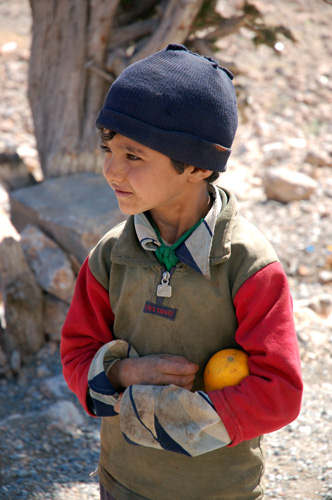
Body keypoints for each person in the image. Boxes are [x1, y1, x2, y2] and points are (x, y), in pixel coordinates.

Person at [61, 44, 303, 500]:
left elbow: (280, 390)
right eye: (107, 148)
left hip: (219, 490)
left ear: (196, 165)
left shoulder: (249, 266)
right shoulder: (111, 256)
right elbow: (76, 353)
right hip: (123, 482)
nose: (111, 170)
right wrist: (125, 374)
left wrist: (179, 414)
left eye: (134, 156)